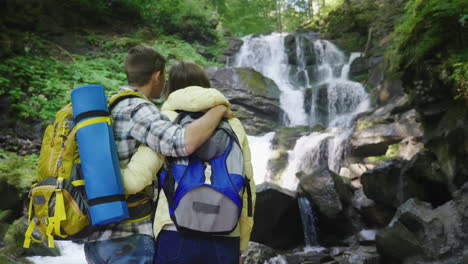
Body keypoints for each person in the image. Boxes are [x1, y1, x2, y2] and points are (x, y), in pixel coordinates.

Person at [83, 46, 231, 264]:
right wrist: (219, 109)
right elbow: (183, 142)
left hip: (97, 236)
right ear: (157, 76)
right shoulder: (138, 108)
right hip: (127, 236)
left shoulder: (108, 105)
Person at [127, 61, 256, 264]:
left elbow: (137, 178)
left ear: (170, 87)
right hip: (226, 233)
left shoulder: (164, 119)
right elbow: (247, 189)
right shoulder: (232, 123)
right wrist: (242, 244)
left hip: (174, 231)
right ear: (206, 86)